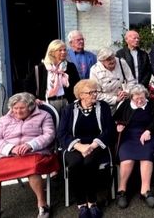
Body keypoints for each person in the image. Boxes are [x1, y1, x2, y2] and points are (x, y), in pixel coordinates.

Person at [0, 92, 59, 218]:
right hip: (7, 155)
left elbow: (49, 135)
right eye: (15, 108)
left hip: (34, 152)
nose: (18, 112)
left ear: (30, 107)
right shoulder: (4, 120)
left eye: (22, 108)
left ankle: (42, 205)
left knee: (33, 170)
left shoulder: (44, 115)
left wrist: (31, 144)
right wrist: (11, 148)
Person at [58, 79, 114, 218]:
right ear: (81, 95)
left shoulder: (104, 107)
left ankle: (92, 202)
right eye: (90, 93)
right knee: (75, 164)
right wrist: (79, 146)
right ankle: (81, 203)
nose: (94, 95)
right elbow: (62, 133)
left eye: (95, 91)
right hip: (75, 145)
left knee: (89, 163)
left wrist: (94, 145)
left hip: (96, 144)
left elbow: (109, 130)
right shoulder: (69, 109)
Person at [113, 84, 154, 209]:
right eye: (136, 99)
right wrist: (118, 126)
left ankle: (145, 191)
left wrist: (149, 131)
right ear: (131, 98)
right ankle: (121, 190)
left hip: (146, 135)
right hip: (128, 136)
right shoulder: (125, 105)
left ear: (146, 96)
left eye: (142, 99)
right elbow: (115, 119)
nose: (139, 101)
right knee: (127, 159)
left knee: (146, 157)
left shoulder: (150, 105)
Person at [25, 39, 80, 113]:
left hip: (66, 101)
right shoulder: (40, 68)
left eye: (64, 50)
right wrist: (34, 98)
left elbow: (77, 85)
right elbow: (27, 85)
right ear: (52, 52)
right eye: (60, 50)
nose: (63, 52)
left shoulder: (70, 67)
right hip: (47, 103)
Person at [90, 47, 136, 114]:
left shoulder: (121, 63)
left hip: (124, 102)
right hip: (106, 106)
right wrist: (115, 99)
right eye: (108, 59)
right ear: (101, 61)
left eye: (113, 58)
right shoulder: (95, 70)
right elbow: (96, 93)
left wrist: (126, 92)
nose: (112, 61)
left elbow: (131, 81)